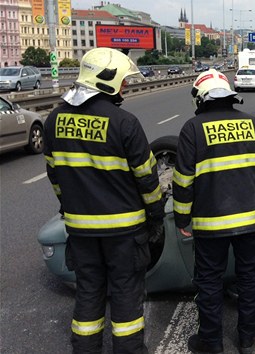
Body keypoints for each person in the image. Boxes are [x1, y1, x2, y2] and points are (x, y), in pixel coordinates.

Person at [43, 47, 165, 354]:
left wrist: (69, 208)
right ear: (107, 79)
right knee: (125, 294)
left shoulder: (53, 120)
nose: (125, 86)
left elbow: (55, 176)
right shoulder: (124, 122)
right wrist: (155, 216)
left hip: (81, 230)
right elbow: (148, 179)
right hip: (125, 231)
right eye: (123, 80)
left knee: (88, 292)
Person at [173, 70, 255, 354]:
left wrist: (182, 218)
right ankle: (247, 337)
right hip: (250, 221)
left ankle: (211, 341)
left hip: (210, 225)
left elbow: (183, 180)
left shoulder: (192, 129)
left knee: (208, 282)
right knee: (250, 278)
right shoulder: (253, 125)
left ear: (201, 98)